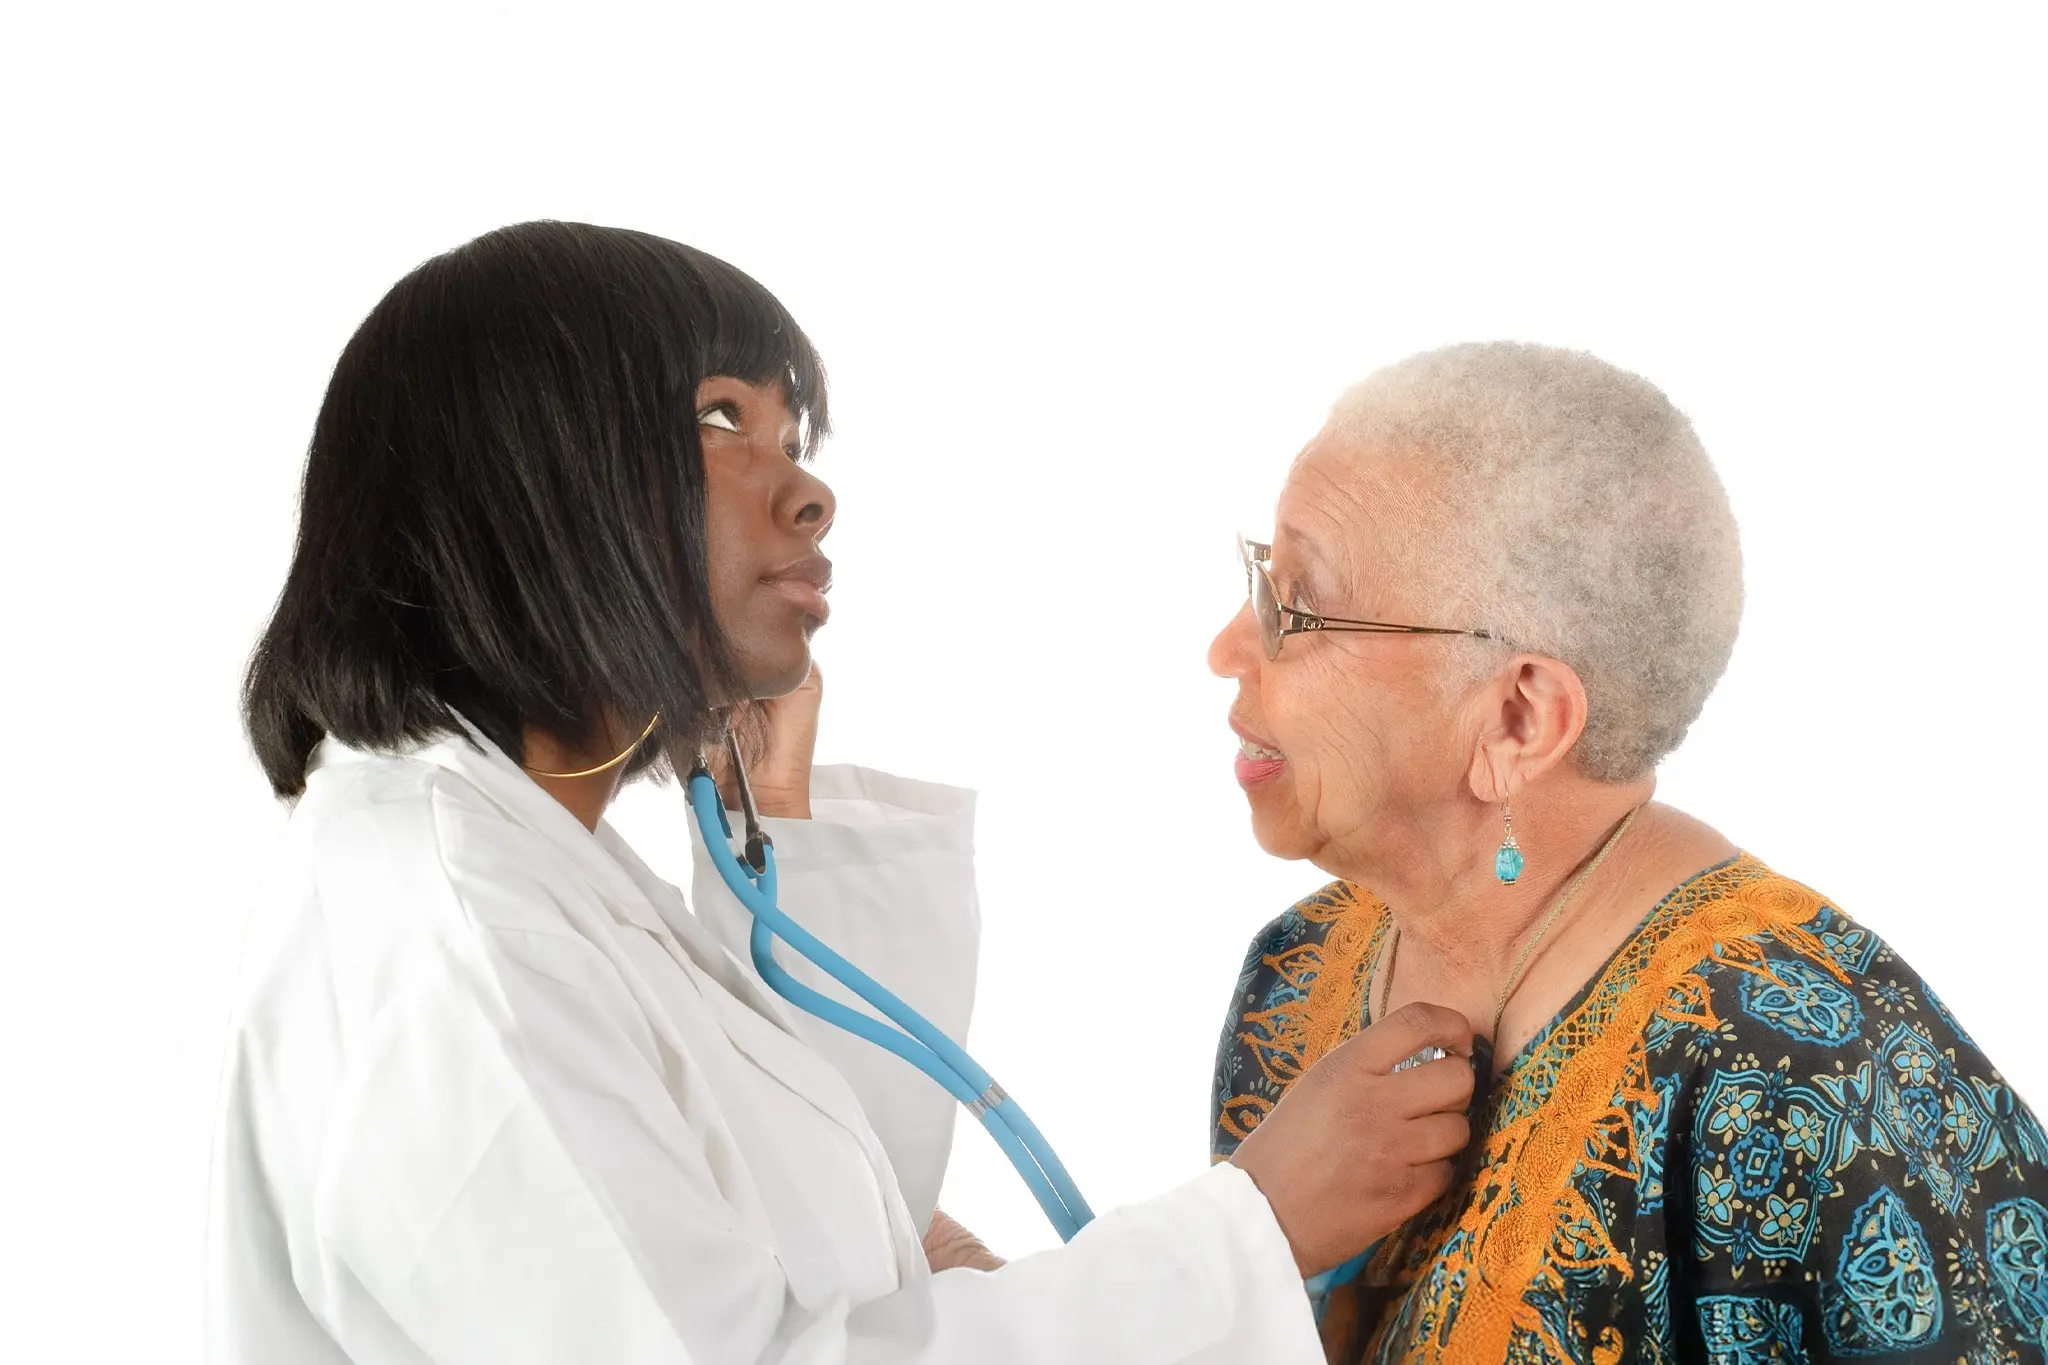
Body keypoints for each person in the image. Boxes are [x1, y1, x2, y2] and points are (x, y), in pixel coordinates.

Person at [206, 220, 1479, 1365]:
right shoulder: (454, 931)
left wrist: (782, 846)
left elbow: (797, 1257)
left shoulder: (531, 869)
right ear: (527, 472)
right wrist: (1249, 1230)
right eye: (718, 421)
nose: (809, 491)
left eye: (790, 435)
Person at [1206, 342, 2048, 1363]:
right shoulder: (1295, 979)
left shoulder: (1807, 1070)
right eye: (1262, 579)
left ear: (1518, 718)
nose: (1225, 652)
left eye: (1292, 610)